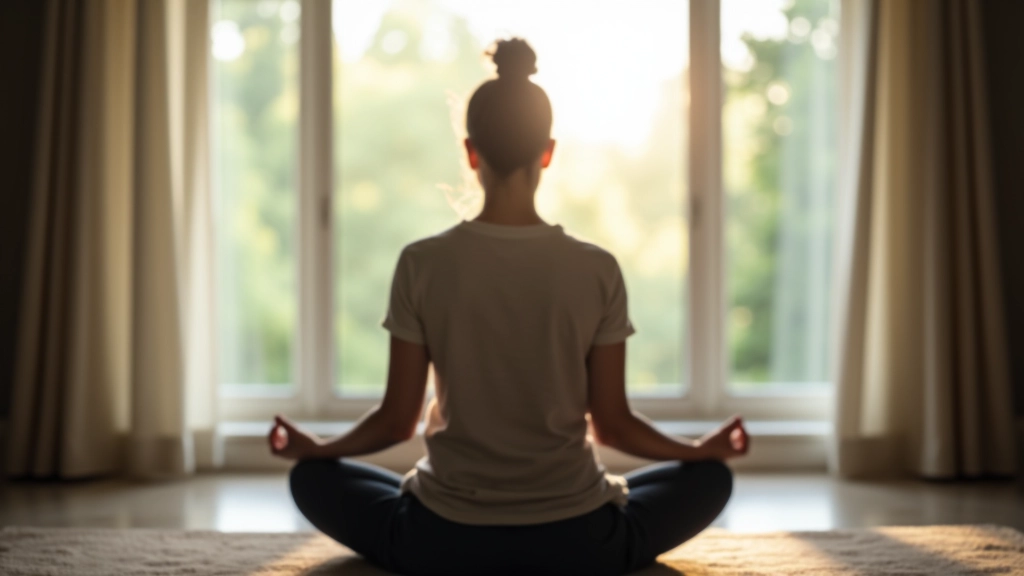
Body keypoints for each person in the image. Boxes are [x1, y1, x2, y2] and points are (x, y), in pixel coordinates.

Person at [268, 37, 749, 576]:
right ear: (548, 152)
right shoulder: (596, 268)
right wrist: (698, 450)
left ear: (471, 154)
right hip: (581, 540)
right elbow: (613, 426)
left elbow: (395, 420)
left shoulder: (422, 263)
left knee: (312, 477)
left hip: (441, 540)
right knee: (712, 478)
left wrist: (318, 448)